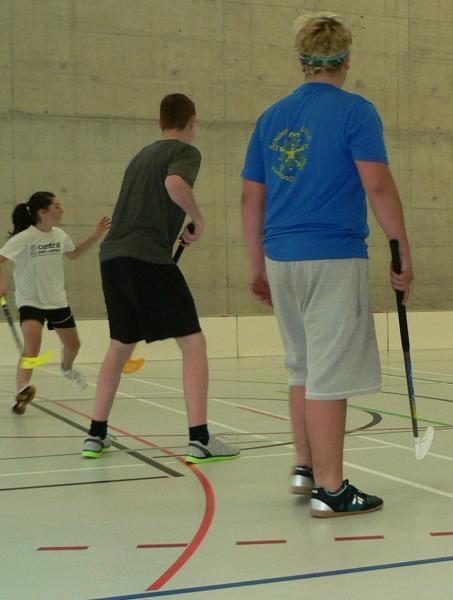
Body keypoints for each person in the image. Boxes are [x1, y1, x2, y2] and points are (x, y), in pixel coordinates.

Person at [241, 13, 413, 517]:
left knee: (303, 366)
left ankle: (305, 466)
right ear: (346, 59)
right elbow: (376, 184)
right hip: (333, 256)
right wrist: (401, 249)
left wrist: (256, 264)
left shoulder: (271, 117)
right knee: (330, 374)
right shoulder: (356, 112)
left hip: (280, 257)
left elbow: (252, 198)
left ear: (302, 60)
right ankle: (331, 489)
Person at [82, 93, 239, 463]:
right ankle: (200, 438)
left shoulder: (141, 156)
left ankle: (95, 434)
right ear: (193, 121)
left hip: (113, 257)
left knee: (120, 344)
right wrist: (198, 220)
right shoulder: (185, 152)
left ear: (160, 122)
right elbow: (174, 184)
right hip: (147, 257)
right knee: (193, 343)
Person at [0, 191, 111, 414]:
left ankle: (66, 368)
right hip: (31, 301)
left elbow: (74, 253)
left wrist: (96, 235)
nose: (61, 211)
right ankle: (22, 391)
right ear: (43, 212)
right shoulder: (23, 238)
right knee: (32, 347)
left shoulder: (59, 235)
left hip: (57, 301)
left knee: (73, 345)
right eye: (57, 207)